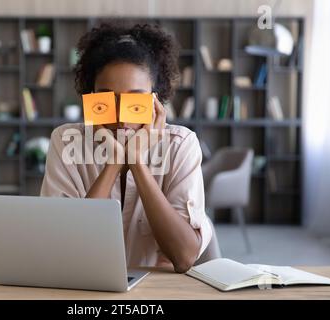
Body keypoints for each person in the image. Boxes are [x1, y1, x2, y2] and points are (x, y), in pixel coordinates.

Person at [41, 23, 212, 273]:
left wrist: (137, 163)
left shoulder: (180, 145)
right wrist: (114, 163)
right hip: (83, 287)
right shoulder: (65, 141)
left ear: (156, 100)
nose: (121, 118)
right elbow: (66, 249)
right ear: (91, 98)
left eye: (135, 101)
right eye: (107, 99)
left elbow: (184, 257)